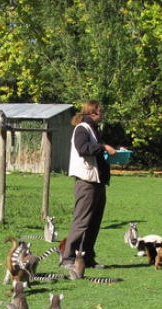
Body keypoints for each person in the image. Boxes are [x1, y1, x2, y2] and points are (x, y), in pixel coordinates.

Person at [60, 100, 125, 269]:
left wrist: (116, 150)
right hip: (86, 182)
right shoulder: (82, 128)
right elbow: (83, 148)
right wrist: (103, 148)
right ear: (93, 112)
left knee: (94, 222)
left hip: (98, 182)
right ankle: (67, 259)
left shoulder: (93, 130)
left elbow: (98, 149)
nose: (102, 114)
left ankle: (87, 258)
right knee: (81, 222)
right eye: (100, 111)